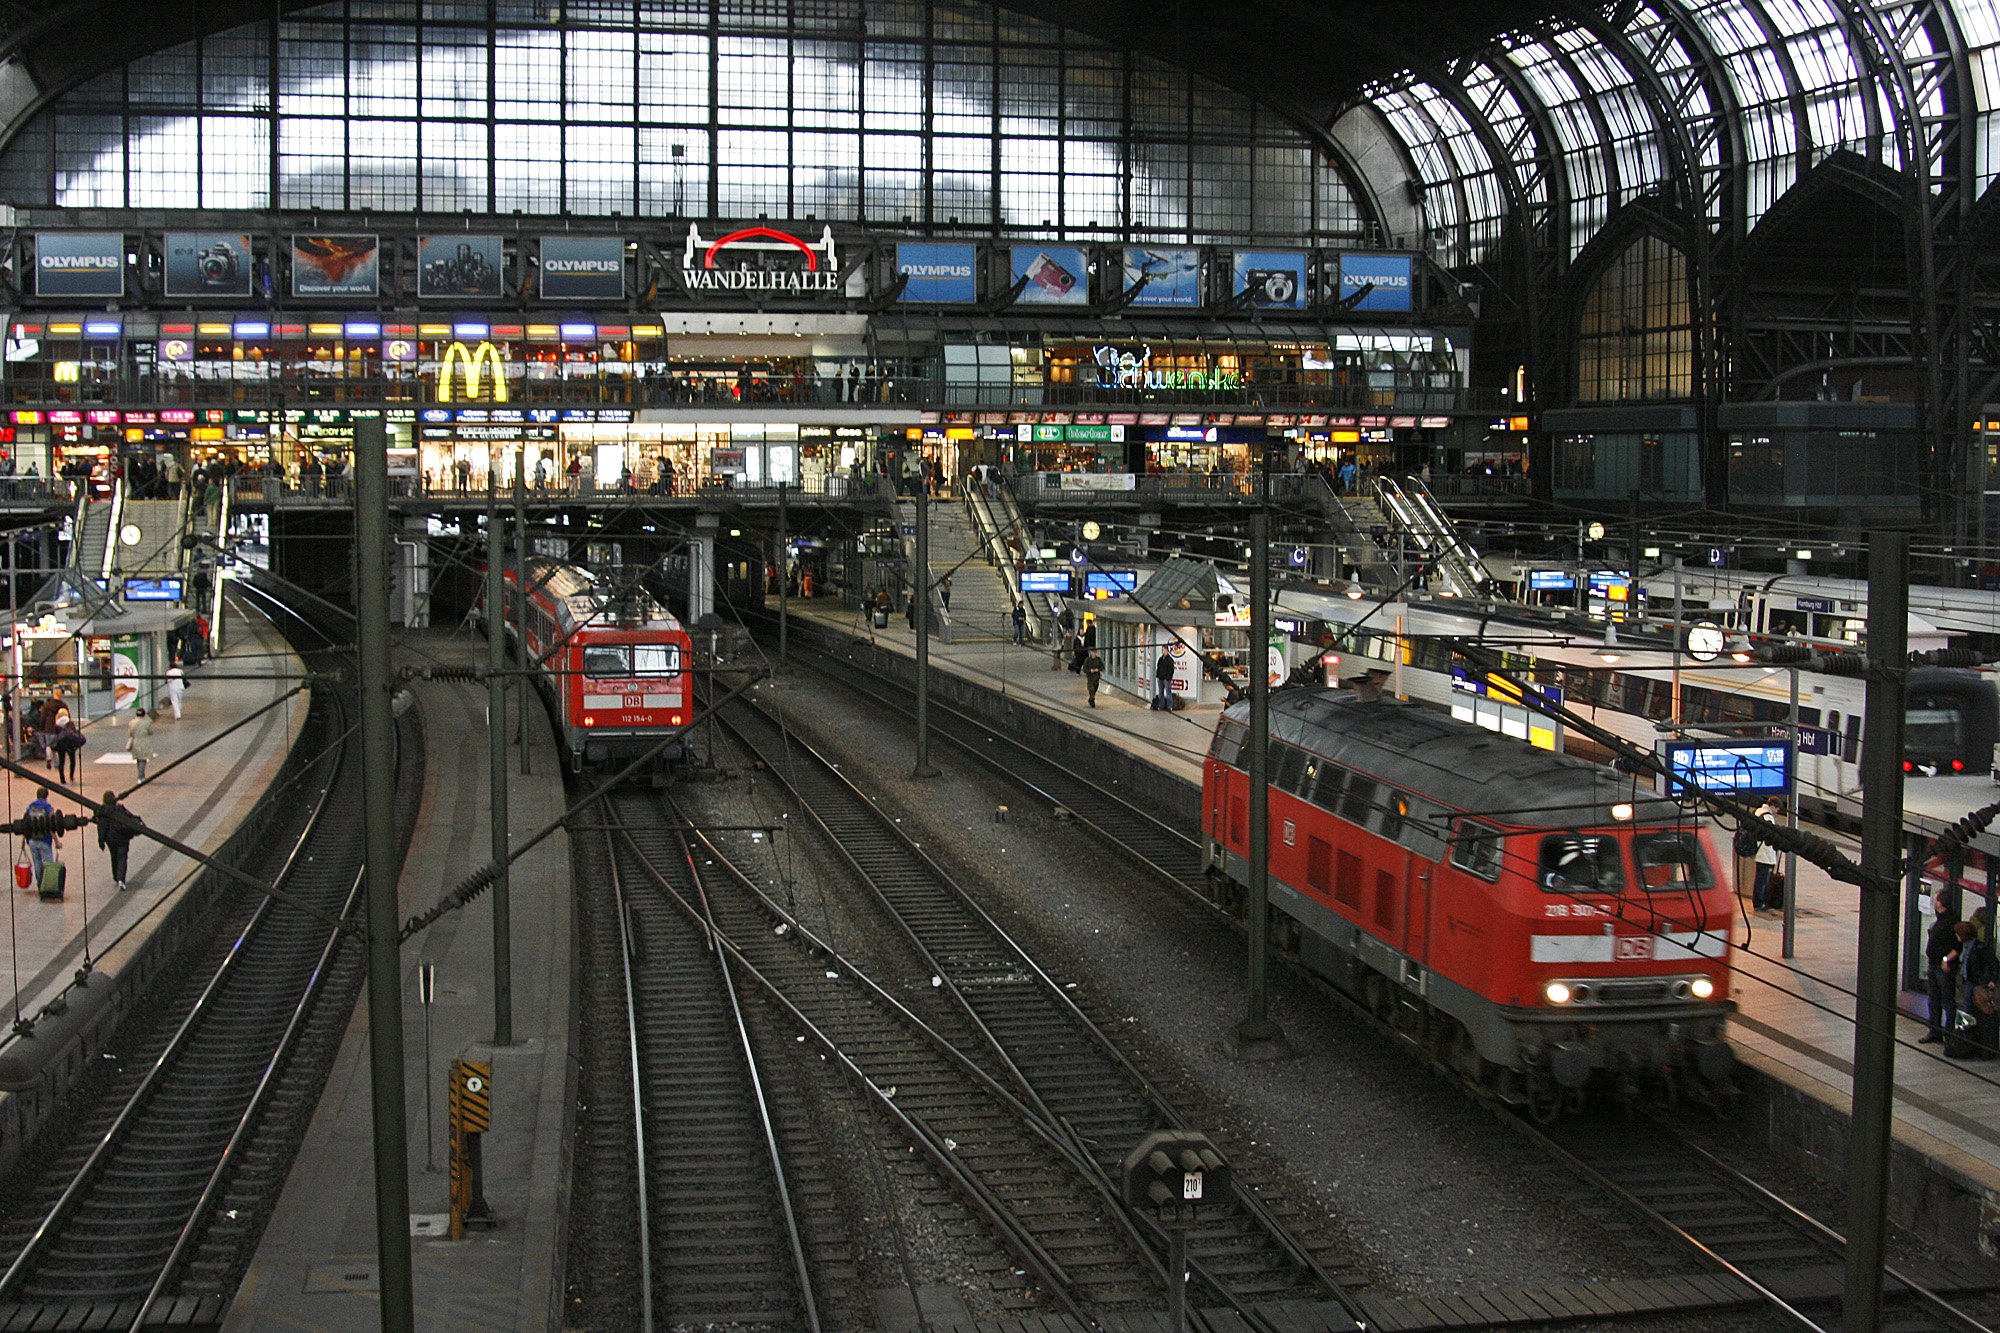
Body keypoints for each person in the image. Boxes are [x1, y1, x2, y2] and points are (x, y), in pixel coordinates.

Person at [1924, 891, 1962, 1043]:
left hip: (1943, 966)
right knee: (1934, 999)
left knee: (1947, 999)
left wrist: (1946, 959)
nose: (1934, 900)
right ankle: (1935, 1031)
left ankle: (1949, 1032)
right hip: (1933, 964)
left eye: (1936, 898)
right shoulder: (1940, 917)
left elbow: (1958, 946)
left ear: (1941, 902)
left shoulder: (1952, 920)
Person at [97, 790, 142, 892]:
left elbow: (101, 827)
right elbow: (129, 818)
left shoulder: (103, 812)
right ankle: (121, 878)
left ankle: (116, 876)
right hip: (122, 837)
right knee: (122, 857)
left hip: (111, 839)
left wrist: (101, 841)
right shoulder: (120, 809)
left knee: (114, 856)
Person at [23, 786, 57, 887]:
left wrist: (23, 840)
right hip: (45, 841)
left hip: (32, 841)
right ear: (46, 796)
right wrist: (56, 841)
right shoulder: (48, 807)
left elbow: (26, 825)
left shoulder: (30, 807)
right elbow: (51, 826)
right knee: (48, 864)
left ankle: (39, 884)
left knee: (37, 863)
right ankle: (47, 886)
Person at [1751, 798, 1782, 911]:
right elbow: (1771, 835)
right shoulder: (1767, 816)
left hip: (1759, 850)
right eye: (1777, 808)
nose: (1777, 811)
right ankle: (1759, 903)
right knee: (1762, 879)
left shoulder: (1758, 811)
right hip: (1765, 853)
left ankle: (1758, 902)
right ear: (1772, 806)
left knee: (1760, 878)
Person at [51, 721, 85, 786]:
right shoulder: (75, 733)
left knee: (62, 762)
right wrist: (76, 747)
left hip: (62, 747)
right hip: (70, 747)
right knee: (72, 761)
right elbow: (83, 740)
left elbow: (56, 741)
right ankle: (71, 776)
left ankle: (62, 779)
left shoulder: (62, 732)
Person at [127, 707, 156, 783]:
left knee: (138, 759)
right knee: (143, 760)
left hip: (135, 742)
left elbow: (130, 733)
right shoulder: (147, 722)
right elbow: (151, 732)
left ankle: (140, 775)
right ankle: (141, 777)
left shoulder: (131, 722)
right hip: (144, 742)